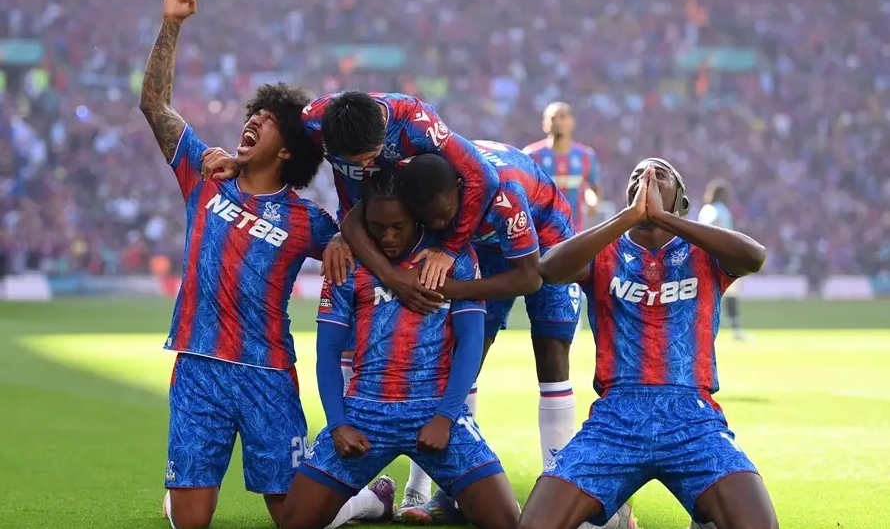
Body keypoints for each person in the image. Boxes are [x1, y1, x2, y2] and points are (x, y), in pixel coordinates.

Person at [140, 0, 391, 529]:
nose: (254, 120)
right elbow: (154, 105)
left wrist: (344, 237)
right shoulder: (205, 177)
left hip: (268, 372)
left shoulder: (306, 220)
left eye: (270, 121)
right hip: (198, 366)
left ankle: (371, 500)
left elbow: (369, 236)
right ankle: (182, 493)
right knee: (190, 524)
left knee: (295, 519)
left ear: (288, 151)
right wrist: (171, 24)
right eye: (255, 115)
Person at [519, 158, 777, 529]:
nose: (646, 178)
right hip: (615, 418)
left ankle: (705, 513)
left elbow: (755, 257)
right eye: (637, 175)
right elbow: (548, 268)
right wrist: (628, 218)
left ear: (681, 199)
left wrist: (666, 220)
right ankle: (621, 512)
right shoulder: (604, 252)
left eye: (660, 174)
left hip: (692, 416)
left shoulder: (703, 253)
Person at [388, 145, 634, 526]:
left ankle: (560, 491)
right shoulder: (422, 182)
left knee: (551, 354)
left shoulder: (502, 194)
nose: (438, 225)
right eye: (429, 220)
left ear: (460, 190)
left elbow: (530, 276)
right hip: (483, 244)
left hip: (547, 239)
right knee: (460, 357)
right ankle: (440, 491)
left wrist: (457, 289)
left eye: (444, 216)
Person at [278, 169, 520, 529]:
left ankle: (443, 499)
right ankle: (375, 501)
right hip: (364, 413)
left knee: (506, 521)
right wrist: (338, 424)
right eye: (378, 227)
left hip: (434, 411)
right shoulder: (348, 261)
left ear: (416, 216)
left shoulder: (452, 258)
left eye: (398, 227)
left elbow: (470, 342)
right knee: (294, 522)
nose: (388, 237)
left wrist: (445, 417)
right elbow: (327, 352)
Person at [201, 90, 500, 313]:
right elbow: (274, 141)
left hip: (410, 220)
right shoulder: (313, 120)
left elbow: (483, 176)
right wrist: (241, 162)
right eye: (355, 162)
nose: (367, 165)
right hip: (359, 220)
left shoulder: (417, 124)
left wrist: (450, 248)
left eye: (372, 156)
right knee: (350, 285)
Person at [523, 102, 602, 232]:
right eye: (553, 118)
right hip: (541, 230)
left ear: (572, 122)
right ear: (544, 124)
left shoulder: (586, 155)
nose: (558, 122)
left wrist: (593, 201)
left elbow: (593, 186)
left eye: (563, 117)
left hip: (575, 229)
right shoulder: (531, 155)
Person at [698, 179, 748, 341]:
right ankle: (736, 330)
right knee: (731, 293)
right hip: (723, 257)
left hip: (704, 257)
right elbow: (726, 235)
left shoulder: (705, 210)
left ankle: (703, 329)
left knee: (707, 295)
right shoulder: (723, 211)